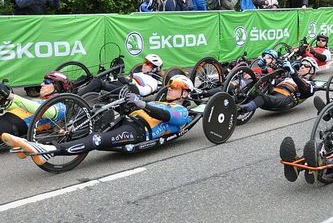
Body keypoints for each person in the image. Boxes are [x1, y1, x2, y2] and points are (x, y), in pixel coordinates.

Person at [1, 75, 194, 166]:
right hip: (127, 121)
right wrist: (130, 105)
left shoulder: (181, 110)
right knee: (93, 120)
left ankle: (49, 151)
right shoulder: (160, 101)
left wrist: (143, 105)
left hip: (139, 132)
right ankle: (37, 143)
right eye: (169, 84)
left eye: (176, 86)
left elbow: (166, 117)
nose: (170, 88)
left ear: (185, 92)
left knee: (96, 140)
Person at [0, 71, 72, 139]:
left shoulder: (60, 106)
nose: (42, 84)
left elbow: (47, 112)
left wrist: (11, 96)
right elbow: (23, 108)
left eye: (46, 82)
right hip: (7, 118)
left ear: (57, 87)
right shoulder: (40, 101)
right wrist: (5, 101)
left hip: (15, 124)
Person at [237, 57, 318, 114]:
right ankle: (236, 99)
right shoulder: (288, 77)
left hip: (287, 98)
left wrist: (293, 72)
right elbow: (273, 78)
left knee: (262, 98)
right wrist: (263, 68)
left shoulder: (311, 84)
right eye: (302, 64)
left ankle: (241, 110)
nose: (302, 66)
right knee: (255, 86)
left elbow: (306, 89)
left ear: (312, 71)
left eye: (307, 65)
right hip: (273, 92)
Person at [78, 54, 163, 97]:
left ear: (155, 68)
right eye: (145, 62)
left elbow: (144, 92)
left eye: (148, 64)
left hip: (127, 91)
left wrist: (129, 83)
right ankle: (71, 92)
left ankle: (73, 98)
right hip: (119, 84)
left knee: (98, 82)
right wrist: (110, 77)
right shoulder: (138, 73)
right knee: (89, 77)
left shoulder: (153, 82)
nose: (144, 65)